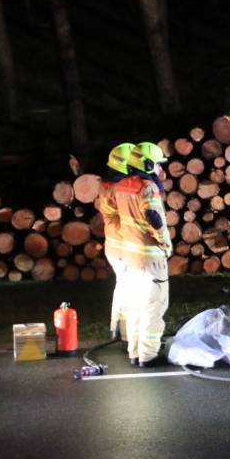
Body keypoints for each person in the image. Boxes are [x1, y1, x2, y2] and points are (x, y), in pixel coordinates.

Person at [106, 142, 172, 367]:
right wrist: (165, 244)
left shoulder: (121, 186)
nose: (161, 170)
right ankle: (149, 355)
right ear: (148, 163)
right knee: (153, 307)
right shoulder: (147, 188)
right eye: (159, 165)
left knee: (135, 308)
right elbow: (154, 217)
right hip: (150, 258)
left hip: (130, 257)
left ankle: (134, 353)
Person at [98, 142, 134, 343]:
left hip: (114, 245)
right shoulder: (119, 190)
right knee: (130, 288)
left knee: (122, 286)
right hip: (124, 246)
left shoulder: (107, 186)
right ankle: (127, 331)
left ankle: (117, 328)